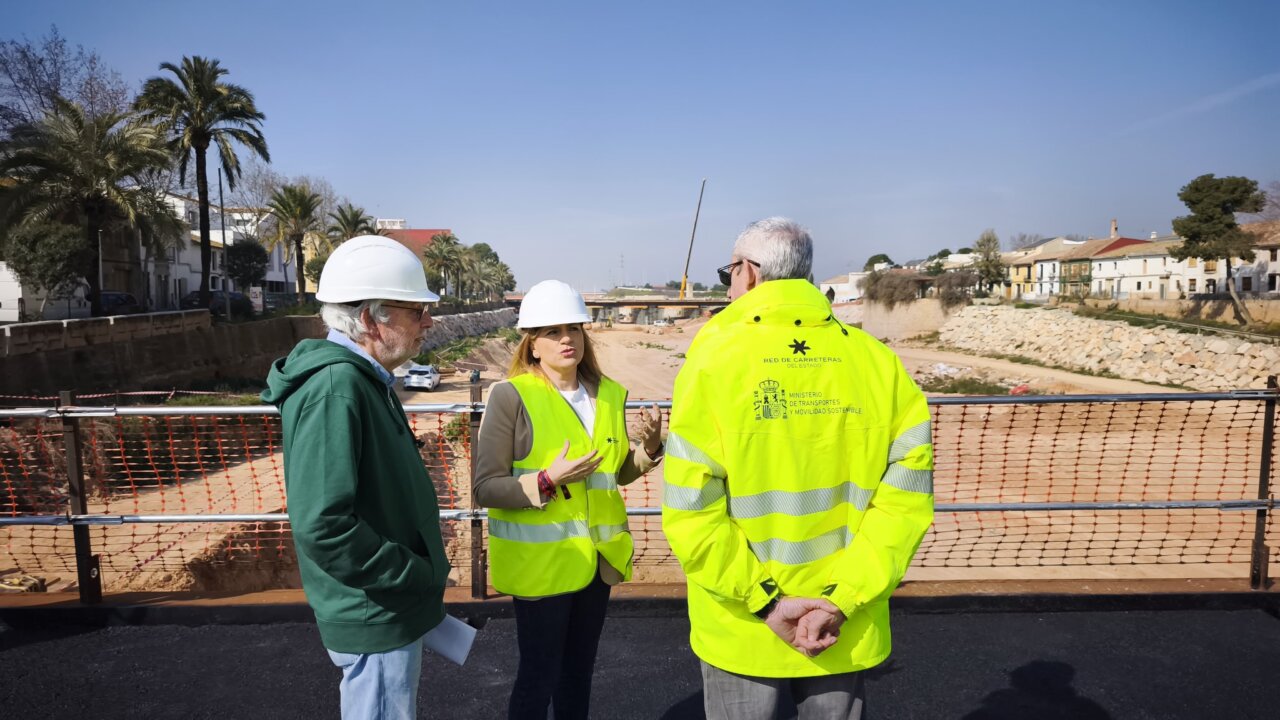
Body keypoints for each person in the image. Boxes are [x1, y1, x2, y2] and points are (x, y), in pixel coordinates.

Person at [661, 218, 935, 720]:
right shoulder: (879, 364)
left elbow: (691, 513)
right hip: (839, 628)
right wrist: (839, 601)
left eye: (728, 273)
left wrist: (766, 604)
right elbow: (904, 505)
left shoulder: (712, 363)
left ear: (748, 273)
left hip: (744, 628)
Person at [261, 235, 449, 720]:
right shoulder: (336, 387)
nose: (428, 322)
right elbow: (324, 524)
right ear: (370, 318)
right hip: (377, 610)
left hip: (385, 605)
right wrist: (412, 574)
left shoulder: (361, 380)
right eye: (415, 311)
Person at [473, 279, 664, 720]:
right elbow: (485, 487)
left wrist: (649, 452)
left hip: (597, 564)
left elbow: (614, 474)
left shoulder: (609, 395)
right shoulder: (511, 397)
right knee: (538, 677)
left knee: (578, 675)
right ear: (532, 345)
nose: (566, 339)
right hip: (542, 568)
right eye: (552, 331)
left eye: (573, 329)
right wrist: (544, 480)